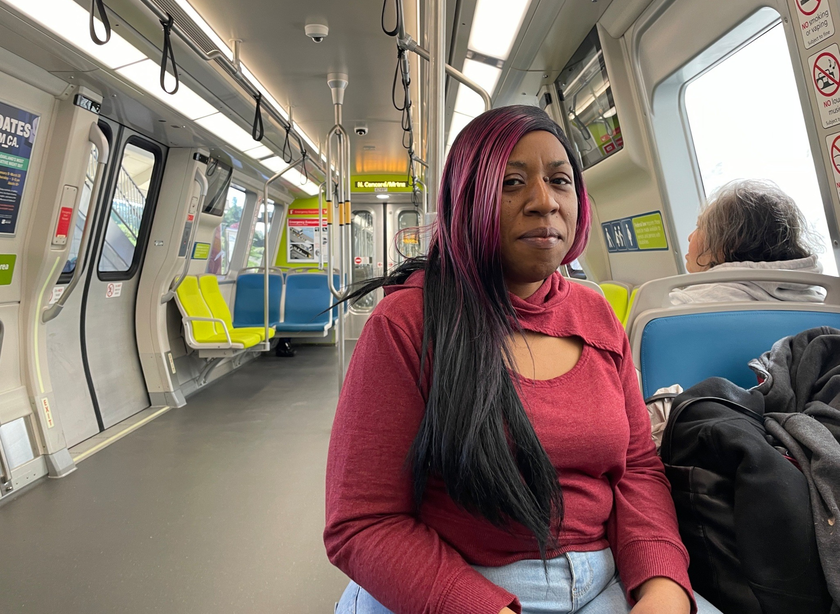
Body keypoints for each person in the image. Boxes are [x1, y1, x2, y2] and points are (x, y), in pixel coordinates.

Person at [324, 106, 719, 614]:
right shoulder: (408, 325)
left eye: (560, 180)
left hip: (606, 580)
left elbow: (637, 470)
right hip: (455, 589)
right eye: (511, 183)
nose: (543, 202)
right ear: (468, 201)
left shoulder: (595, 314)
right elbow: (363, 522)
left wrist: (662, 584)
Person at [671, 179, 825, 304]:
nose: (690, 236)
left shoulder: (680, 306)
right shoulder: (823, 301)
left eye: (699, 226)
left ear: (730, 244)